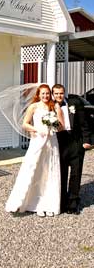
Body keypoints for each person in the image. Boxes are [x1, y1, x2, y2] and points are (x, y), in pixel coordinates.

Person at [5, 84, 64, 217]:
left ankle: (48, 203)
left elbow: (61, 127)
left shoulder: (54, 106)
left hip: (51, 143)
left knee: (49, 170)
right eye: (43, 93)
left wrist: (53, 125)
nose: (45, 96)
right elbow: (25, 124)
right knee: (34, 169)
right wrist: (37, 129)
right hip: (37, 141)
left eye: (47, 93)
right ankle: (32, 203)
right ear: (38, 94)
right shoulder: (34, 106)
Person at [52, 84, 92, 215]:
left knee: (76, 174)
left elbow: (84, 123)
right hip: (59, 144)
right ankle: (62, 203)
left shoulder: (74, 103)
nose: (59, 95)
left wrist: (86, 140)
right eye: (56, 93)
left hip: (75, 143)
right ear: (53, 94)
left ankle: (73, 203)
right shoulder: (49, 107)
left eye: (61, 93)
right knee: (61, 174)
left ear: (64, 93)